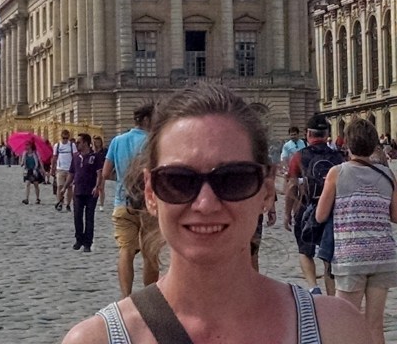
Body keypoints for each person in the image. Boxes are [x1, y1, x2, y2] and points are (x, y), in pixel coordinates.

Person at [63, 84, 367, 344]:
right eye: (178, 180)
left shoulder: (338, 330)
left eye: (233, 178)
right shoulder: (98, 339)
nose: (205, 204)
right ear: (150, 192)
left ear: (266, 189)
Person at [317, 118, 397, 344]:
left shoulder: (337, 172)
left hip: (351, 255)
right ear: (374, 146)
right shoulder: (388, 174)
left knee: (346, 322)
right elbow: (395, 215)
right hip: (383, 254)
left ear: (346, 145)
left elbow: (320, 215)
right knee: (375, 326)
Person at [285, 114, 344, 295]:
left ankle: (313, 287)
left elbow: (292, 186)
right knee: (329, 257)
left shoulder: (298, 156)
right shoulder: (338, 156)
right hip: (333, 210)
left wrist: (287, 213)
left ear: (308, 134)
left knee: (305, 250)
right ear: (326, 134)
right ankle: (332, 295)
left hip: (305, 208)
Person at [103, 103, 159, 297]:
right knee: (150, 252)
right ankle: (149, 296)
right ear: (146, 120)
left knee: (125, 251)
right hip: (148, 204)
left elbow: (105, 173)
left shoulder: (117, 141)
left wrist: (122, 180)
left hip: (122, 202)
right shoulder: (153, 142)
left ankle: (125, 296)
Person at [69, 134, 104, 252]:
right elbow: (72, 173)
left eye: (78, 142)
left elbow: (99, 173)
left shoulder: (95, 157)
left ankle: (88, 243)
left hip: (91, 191)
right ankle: (79, 239)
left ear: (85, 143)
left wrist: (97, 186)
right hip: (78, 190)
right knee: (77, 217)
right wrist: (64, 187)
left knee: (89, 217)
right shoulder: (75, 157)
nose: (76, 144)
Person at [54, 129, 77, 212]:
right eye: (63, 138)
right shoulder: (57, 145)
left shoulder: (72, 145)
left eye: (66, 138)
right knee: (59, 186)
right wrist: (52, 168)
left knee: (70, 187)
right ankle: (59, 202)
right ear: (61, 137)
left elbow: (75, 157)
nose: (65, 139)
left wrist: (76, 168)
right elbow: (54, 157)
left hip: (70, 169)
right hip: (60, 168)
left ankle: (68, 204)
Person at [92, 135, 107, 211]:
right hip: (93, 171)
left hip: (102, 170)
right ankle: (92, 202)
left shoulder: (104, 150)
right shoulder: (92, 151)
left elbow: (107, 160)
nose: (97, 143)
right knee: (93, 187)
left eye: (99, 142)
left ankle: (101, 204)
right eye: (96, 142)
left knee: (101, 187)